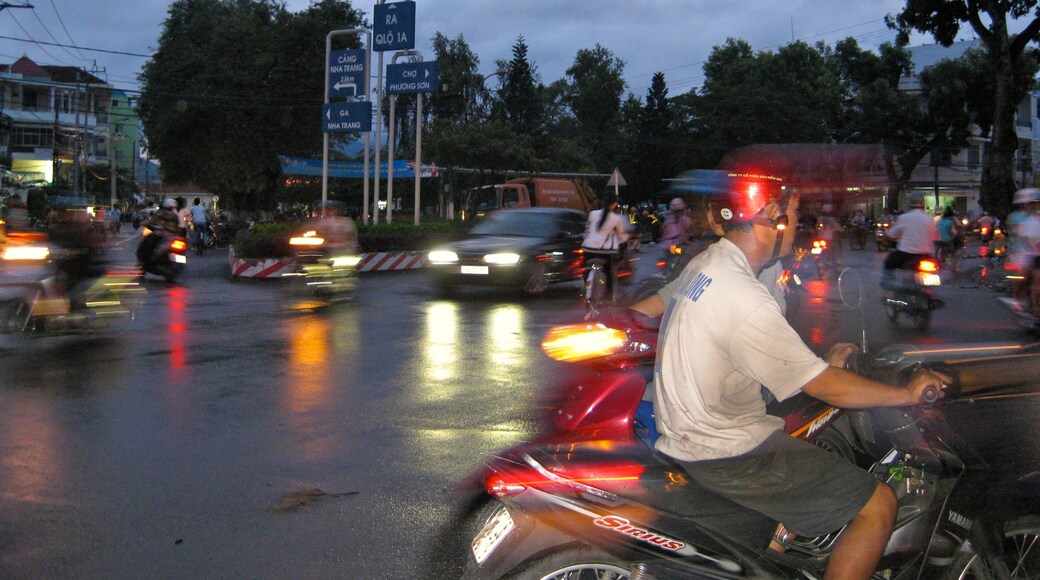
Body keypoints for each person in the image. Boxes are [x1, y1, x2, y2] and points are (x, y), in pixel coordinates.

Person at [628, 171, 949, 579]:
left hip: (688, 432)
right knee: (878, 504)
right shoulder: (743, 294)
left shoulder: (708, 264)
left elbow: (758, 350)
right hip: (727, 451)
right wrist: (906, 393)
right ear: (773, 217)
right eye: (793, 214)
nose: (798, 224)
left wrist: (818, 365)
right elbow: (822, 386)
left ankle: (780, 538)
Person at [881, 194, 937, 289]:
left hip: (906, 254)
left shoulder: (904, 217)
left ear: (909, 204)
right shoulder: (929, 219)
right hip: (926, 255)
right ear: (923, 204)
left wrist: (887, 236)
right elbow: (935, 237)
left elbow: (891, 235)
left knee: (889, 263)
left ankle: (888, 285)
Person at [581, 193, 629, 297]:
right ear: (614, 204)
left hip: (588, 249)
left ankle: (587, 286)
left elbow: (587, 230)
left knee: (585, 269)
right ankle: (608, 298)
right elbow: (621, 236)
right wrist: (626, 238)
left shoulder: (592, 214)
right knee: (609, 273)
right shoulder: (616, 218)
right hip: (606, 252)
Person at [137, 198, 181, 266]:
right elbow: (178, 227)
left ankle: (142, 261)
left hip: (161, 235)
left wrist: (142, 223)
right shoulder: (175, 215)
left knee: (145, 244)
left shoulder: (160, 213)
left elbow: (152, 222)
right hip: (173, 236)